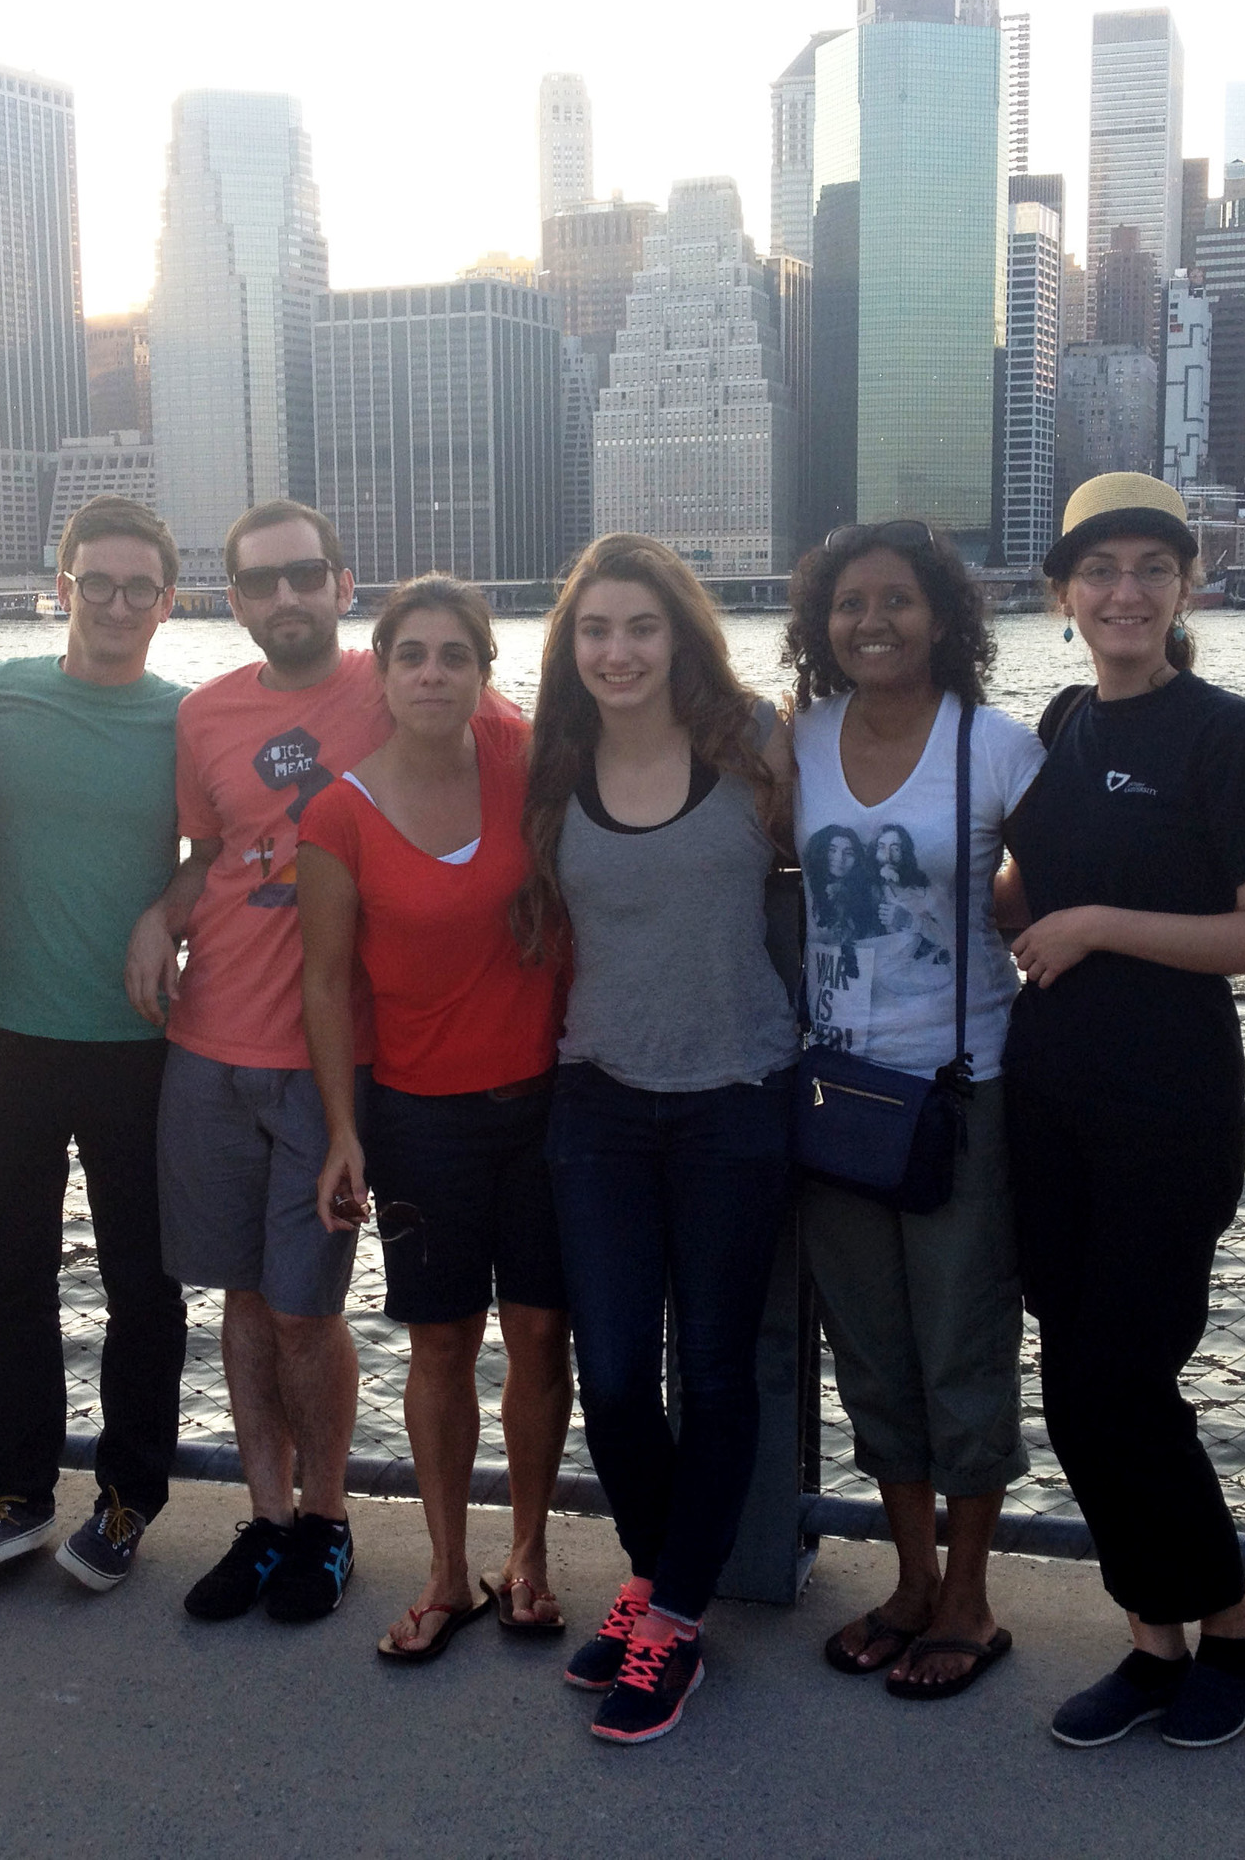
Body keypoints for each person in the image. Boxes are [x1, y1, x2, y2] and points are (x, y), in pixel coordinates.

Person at [995, 474, 1245, 1751]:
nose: (1123, 591)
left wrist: (1091, 926)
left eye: (1150, 568)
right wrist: (1005, 901)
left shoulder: (1223, 733)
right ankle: (1150, 1638)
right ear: (1062, 593)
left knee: (1127, 1377)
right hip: (1047, 1100)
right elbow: (1036, 883)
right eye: (1099, 570)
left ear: (1187, 587)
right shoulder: (1063, 719)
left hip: (1166, 1110)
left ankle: (1232, 1627)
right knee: (1072, 1382)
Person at [516, 532, 798, 1745]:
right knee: (618, 1373)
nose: (618, 650)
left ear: (681, 634)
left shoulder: (756, 746)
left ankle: (673, 1615)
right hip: (599, 1099)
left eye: (640, 627)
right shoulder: (554, 763)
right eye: (595, 630)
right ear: (569, 650)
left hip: (740, 1094)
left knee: (720, 1368)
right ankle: (653, 1573)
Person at [783, 520, 1044, 1702]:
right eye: (848, 604)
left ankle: (971, 1594)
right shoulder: (799, 743)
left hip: (959, 1092)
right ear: (820, 624)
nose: (871, 621)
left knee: (962, 1345)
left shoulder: (994, 748)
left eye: (896, 600)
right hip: (836, 1093)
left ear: (944, 616)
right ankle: (907, 1577)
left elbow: (1055, 886)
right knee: (872, 1353)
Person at [296, 577, 572, 1666]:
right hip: (419, 1119)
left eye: (454, 655)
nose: (431, 674)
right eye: (410, 654)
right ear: (383, 670)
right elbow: (324, 984)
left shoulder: (528, 767)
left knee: (543, 1337)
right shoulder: (337, 810)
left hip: (549, 1111)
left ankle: (533, 1557)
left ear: (482, 673)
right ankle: (451, 1570)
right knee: (441, 1343)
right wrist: (342, 1130)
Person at [131, 501, 380, 1626]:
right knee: (240, 1299)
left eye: (303, 577)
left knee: (305, 1311)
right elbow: (212, 849)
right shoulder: (204, 716)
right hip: (206, 1048)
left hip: (328, 1061)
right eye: (258, 584)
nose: (284, 599)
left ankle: (328, 1520)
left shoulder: (408, 684)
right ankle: (268, 1517)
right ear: (230, 600)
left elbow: (534, 763)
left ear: (340, 581)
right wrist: (159, 911)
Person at [0, 493, 188, 1595]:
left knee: (146, 1284)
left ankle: (130, 1498)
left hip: (137, 1042)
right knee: (11, 1276)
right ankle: (16, 1490)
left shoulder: (182, 720)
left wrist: (164, 912)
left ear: (166, 602)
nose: (116, 603)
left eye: (139, 586)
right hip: (1, 1030)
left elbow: (234, 847)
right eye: (95, 581)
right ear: (61, 589)